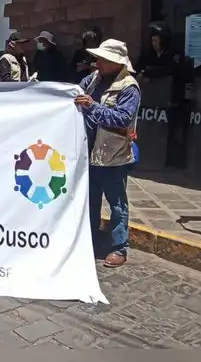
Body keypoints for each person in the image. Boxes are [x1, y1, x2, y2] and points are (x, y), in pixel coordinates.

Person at [74, 39, 141, 268]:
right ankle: (90, 238)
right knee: (90, 200)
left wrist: (92, 106)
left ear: (115, 62)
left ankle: (119, 247)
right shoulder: (93, 79)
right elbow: (74, 92)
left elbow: (122, 118)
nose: (97, 62)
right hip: (90, 153)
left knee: (117, 204)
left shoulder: (128, 87)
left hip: (113, 154)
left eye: (102, 59)